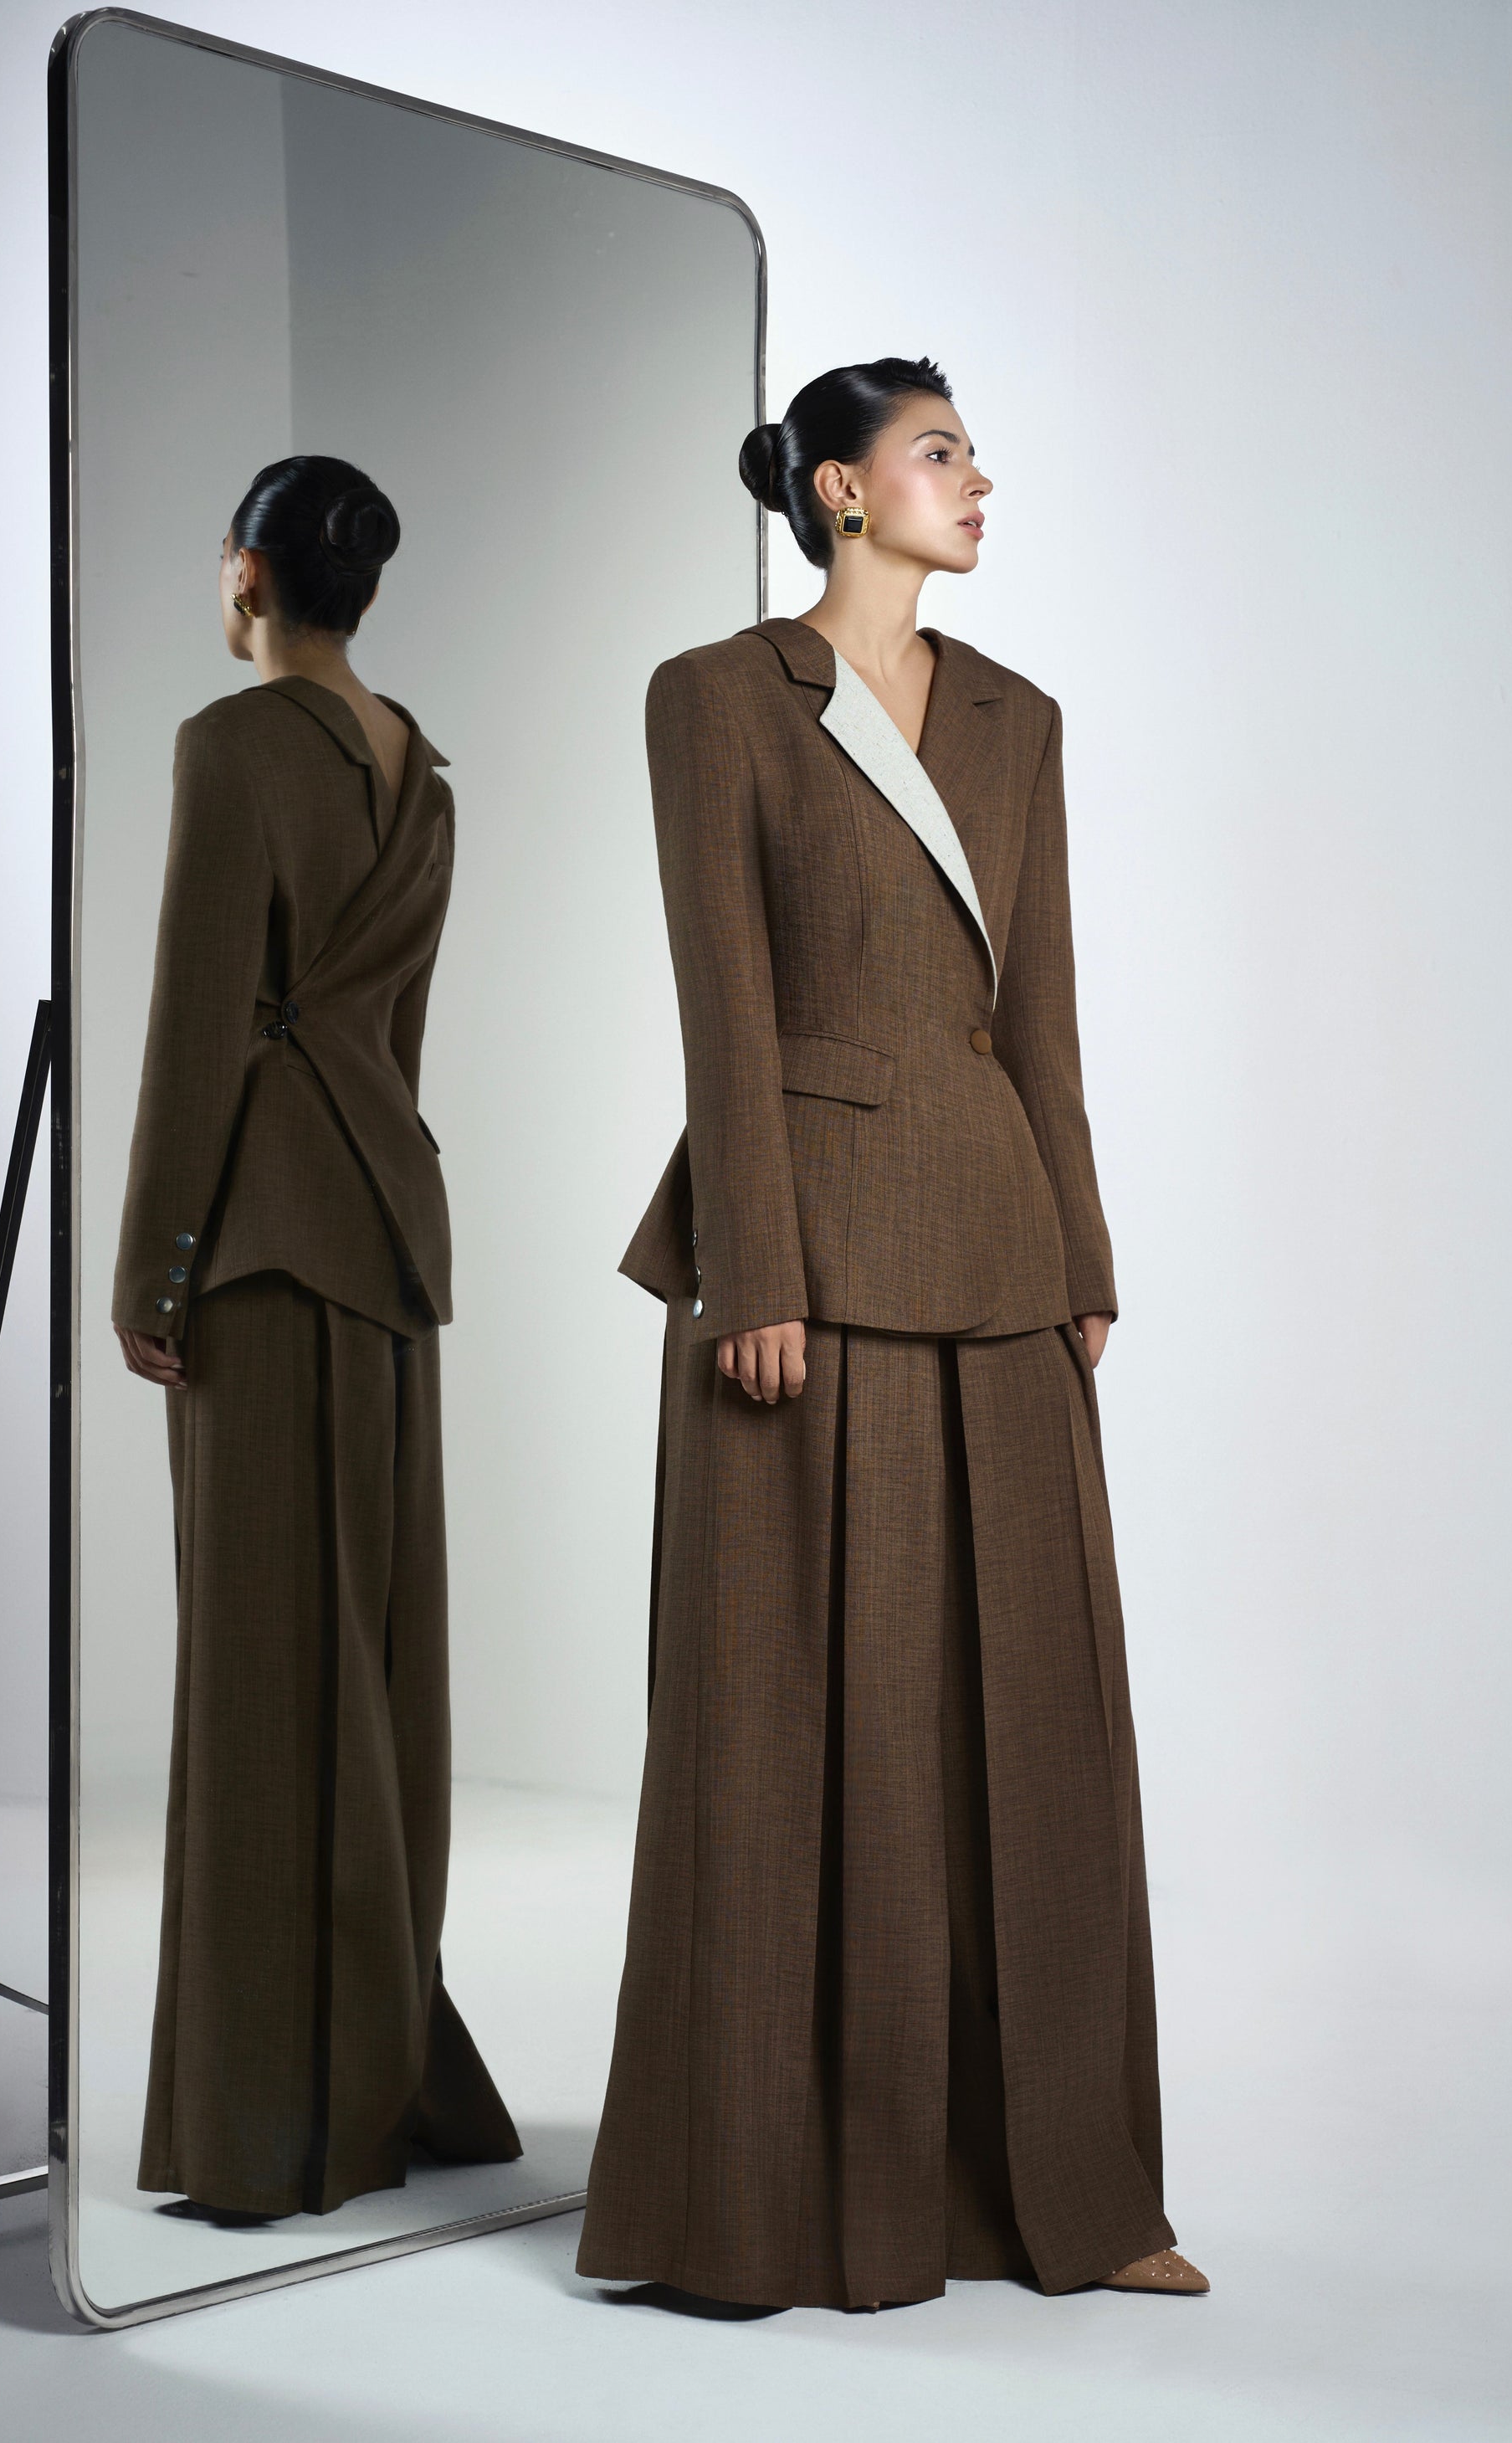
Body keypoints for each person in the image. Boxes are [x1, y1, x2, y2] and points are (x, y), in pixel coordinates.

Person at [577, 360, 1206, 2307]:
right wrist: (751, 1269)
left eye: (971, 453)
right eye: (940, 453)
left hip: (1003, 1256)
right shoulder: (716, 696)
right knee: (775, 1729)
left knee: (1036, 1728)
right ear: (842, 490)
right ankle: (756, 2203)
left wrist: (1083, 1252)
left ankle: (1071, 2197)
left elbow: (1044, 1019)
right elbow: (723, 998)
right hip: (809, 1261)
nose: (976, 480)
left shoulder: (1021, 717)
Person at [112, 454, 519, 2218]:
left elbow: (200, 1015)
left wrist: (155, 1273)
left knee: (260, 1670)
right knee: (375, 1658)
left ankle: (261, 2123)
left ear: (248, 574)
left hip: (264, 1252)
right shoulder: (421, 769)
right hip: (392, 1234)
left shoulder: (231, 744)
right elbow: (392, 1047)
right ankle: (369, 2066)